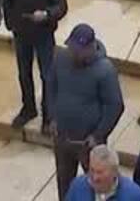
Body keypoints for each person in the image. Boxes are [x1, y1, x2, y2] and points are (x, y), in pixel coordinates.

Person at [52, 25, 128, 199]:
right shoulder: (61, 58)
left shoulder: (105, 70)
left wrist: (98, 134)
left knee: (98, 186)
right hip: (62, 138)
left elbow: (115, 106)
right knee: (64, 185)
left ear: (90, 47)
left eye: (77, 51)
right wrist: (53, 115)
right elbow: (52, 85)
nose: (73, 53)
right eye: (71, 48)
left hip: (88, 144)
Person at [6, 0, 69, 131]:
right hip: (22, 32)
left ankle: (48, 116)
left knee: (47, 75)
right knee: (24, 73)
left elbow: (62, 6)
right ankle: (29, 108)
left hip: (43, 33)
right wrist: (11, 23)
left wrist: (48, 14)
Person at [63, 144, 140, 201]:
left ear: (115, 172)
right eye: (92, 170)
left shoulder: (135, 197)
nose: (95, 177)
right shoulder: (78, 186)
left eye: (100, 172)